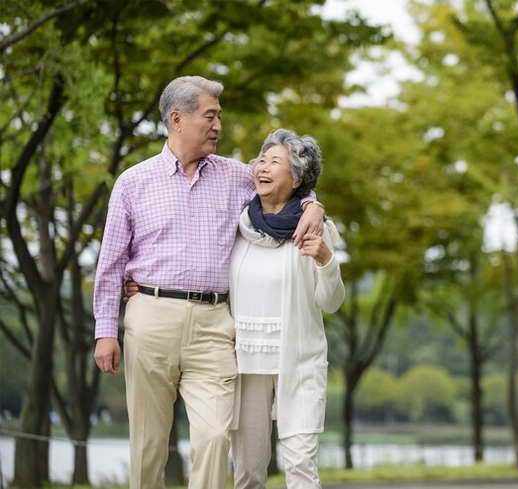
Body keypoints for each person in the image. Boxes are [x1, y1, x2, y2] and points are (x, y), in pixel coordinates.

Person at [92, 76, 325, 489]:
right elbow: (111, 264)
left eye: (220, 115)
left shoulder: (238, 176)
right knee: (148, 444)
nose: (219, 125)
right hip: (151, 316)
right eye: (210, 115)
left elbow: (287, 187)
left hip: (216, 323)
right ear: (177, 119)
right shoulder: (133, 182)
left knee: (216, 436)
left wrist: (313, 205)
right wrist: (105, 331)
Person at [229, 129, 344, 489]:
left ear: (296, 179)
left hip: (298, 360)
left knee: (300, 467)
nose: (262, 167)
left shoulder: (313, 230)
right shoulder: (237, 225)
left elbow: (332, 301)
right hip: (245, 362)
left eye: (274, 162)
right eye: (261, 159)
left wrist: (325, 259)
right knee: (247, 470)